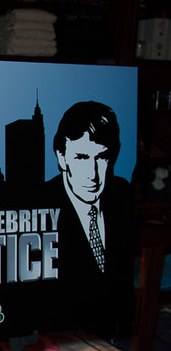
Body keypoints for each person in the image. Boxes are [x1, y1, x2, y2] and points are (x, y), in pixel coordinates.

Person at [46, 101, 133, 335]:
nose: (93, 174)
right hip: (59, 333)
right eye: (82, 157)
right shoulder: (40, 203)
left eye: (101, 157)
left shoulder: (121, 193)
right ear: (62, 158)